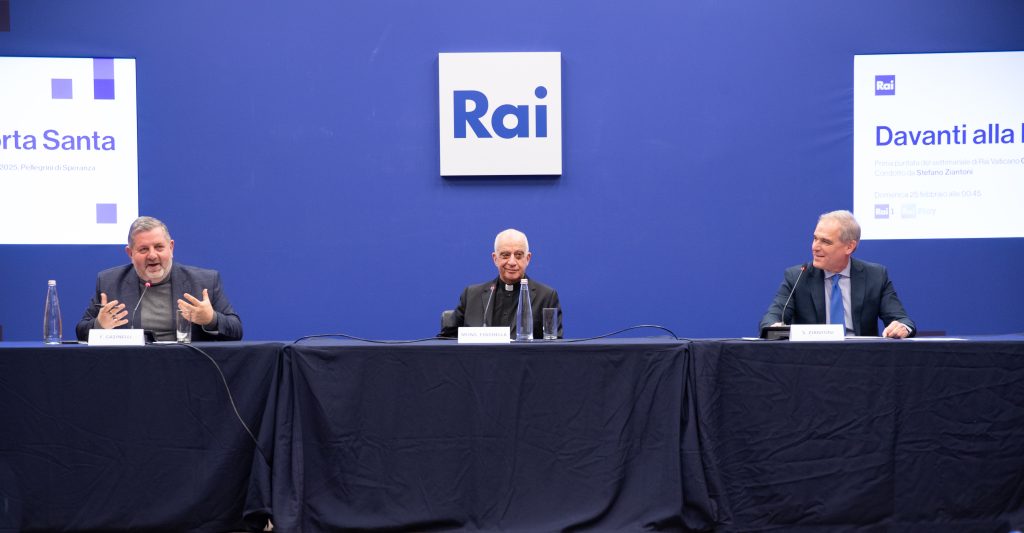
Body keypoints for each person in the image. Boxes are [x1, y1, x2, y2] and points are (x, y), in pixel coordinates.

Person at [75, 216, 243, 342]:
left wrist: (211, 319)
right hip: (130, 368)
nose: (152, 255)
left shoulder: (204, 281)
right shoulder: (110, 282)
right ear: (130, 253)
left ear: (171, 248)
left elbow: (236, 330)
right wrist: (99, 325)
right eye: (143, 249)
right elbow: (81, 331)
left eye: (159, 247)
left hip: (186, 367)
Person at [759, 210, 915, 338]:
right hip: (811, 357)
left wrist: (901, 327)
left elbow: (902, 320)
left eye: (825, 242)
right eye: (815, 239)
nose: (815, 247)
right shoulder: (798, 276)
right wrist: (773, 326)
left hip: (861, 357)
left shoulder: (875, 275)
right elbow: (771, 318)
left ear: (849, 247)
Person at [440, 228, 562, 339]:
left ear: (528, 258)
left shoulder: (546, 297)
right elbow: (445, 340)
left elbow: (555, 347)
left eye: (518, 255)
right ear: (495, 259)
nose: (512, 262)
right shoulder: (471, 295)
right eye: (505, 255)